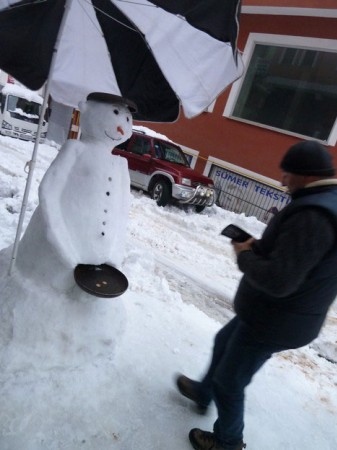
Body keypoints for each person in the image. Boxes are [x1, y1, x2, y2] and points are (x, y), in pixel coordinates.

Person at [176, 140, 337, 450]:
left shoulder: (313, 216)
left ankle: (228, 441)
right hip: (274, 312)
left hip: (276, 319)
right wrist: (257, 246)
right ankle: (202, 392)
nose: (282, 181)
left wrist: (244, 255)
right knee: (224, 342)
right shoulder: (324, 199)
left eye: (287, 175)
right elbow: (294, 259)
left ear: (306, 175)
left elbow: (280, 281)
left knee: (230, 382)